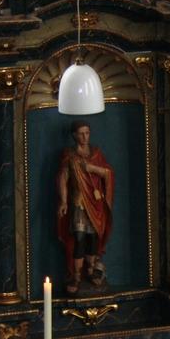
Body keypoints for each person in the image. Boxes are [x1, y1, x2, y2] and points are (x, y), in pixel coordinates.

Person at [56, 120, 114, 294]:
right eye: (81, 133)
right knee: (79, 237)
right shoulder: (70, 155)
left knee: (93, 236)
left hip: (96, 202)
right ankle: (76, 275)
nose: (84, 137)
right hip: (78, 201)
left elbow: (107, 173)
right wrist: (64, 201)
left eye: (87, 133)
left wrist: (92, 168)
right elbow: (63, 179)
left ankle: (91, 270)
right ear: (74, 135)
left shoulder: (96, 153)